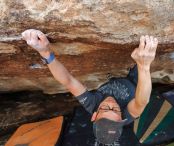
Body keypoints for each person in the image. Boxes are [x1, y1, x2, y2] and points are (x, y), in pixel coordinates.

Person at [21, 29, 158, 144]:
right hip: (137, 82)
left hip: (117, 81)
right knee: (144, 56)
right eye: (116, 110)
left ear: (94, 116)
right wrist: (143, 65)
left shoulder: (91, 104)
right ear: (122, 118)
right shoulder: (127, 116)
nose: (110, 103)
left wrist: (45, 53)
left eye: (104, 108)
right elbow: (142, 101)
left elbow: (68, 81)